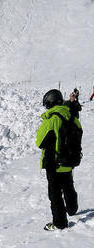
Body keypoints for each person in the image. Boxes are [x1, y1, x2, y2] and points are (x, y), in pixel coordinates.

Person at [36, 89, 82, 231]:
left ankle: (60, 223)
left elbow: (40, 142)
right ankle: (72, 209)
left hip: (54, 164)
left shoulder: (52, 119)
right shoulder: (72, 117)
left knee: (55, 195)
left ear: (49, 102)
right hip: (69, 162)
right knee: (68, 186)